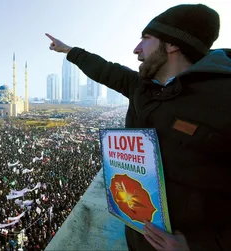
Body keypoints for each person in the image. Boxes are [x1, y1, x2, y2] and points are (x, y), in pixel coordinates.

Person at [46, 3, 231, 251]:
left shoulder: (222, 97)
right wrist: (68, 50)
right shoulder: (142, 88)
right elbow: (104, 69)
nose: (136, 49)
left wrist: (198, 246)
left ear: (173, 44)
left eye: (145, 38)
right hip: (138, 237)